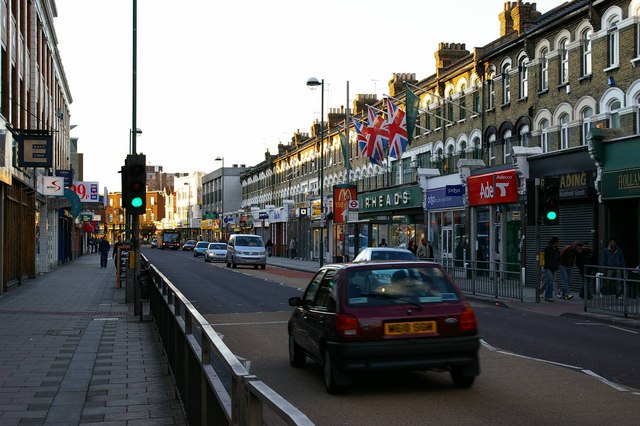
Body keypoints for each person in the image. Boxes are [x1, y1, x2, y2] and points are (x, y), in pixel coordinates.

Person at [542, 237, 560, 302]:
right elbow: (542, 255)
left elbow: (558, 258)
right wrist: (543, 264)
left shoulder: (557, 250)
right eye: (558, 242)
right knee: (549, 282)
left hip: (554, 268)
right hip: (547, 267)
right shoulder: (547, 249)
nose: (558, 243)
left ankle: (549, 296)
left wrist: (557, 265)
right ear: (554, 242)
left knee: (551, 282)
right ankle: (547, 297)